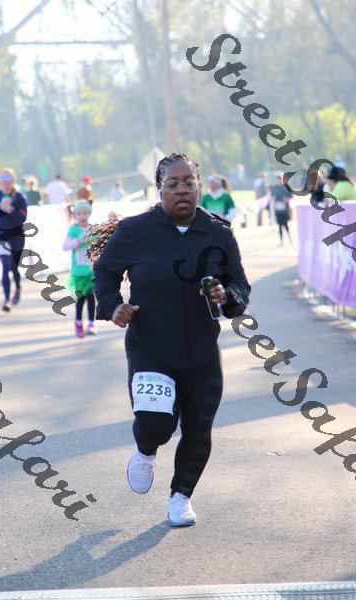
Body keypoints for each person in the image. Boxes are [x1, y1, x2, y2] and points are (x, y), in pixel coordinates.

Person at [94, 152, 251, 527]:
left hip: (201, 351)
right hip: (151, 346)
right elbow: (104, 272)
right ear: (159, 189)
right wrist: (113, 306)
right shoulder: (135, 230)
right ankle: (145, 450)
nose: (182, 190)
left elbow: (239, 283)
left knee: (198, 429)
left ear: (199, 186)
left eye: (189, 183)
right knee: (156, 424)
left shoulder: (218, 233)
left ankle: (180, 497)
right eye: (173, 184)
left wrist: (227, 295)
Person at [0, 168, 27, 312]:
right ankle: (6, 300)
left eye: (8, 180)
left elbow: (22, 218)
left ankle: (18, 288)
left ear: (13, 181)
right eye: (2, 180)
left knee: (14, 267)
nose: (5, 183)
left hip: (16, 236)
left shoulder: (19, 197)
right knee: (5, 265)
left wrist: (10, 210)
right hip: (1, 236)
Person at [63, 201, 96, 337]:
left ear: (89, 214)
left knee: (91, 298)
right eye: (79, 213)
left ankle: (91, 324)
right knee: (81, 298)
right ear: (75, 215)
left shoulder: (92, 228)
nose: (83, 216)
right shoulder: (74, 230)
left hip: (91, 271)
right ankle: (78, 323)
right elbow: (65, 247)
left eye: (85, 213)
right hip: (78, 272)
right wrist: (79, 240)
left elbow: (99, 245)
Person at [270, 173, 293, 246]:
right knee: (279, 225)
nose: (279, 180)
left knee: (286, 224)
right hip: (278, 209)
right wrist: (273, 197)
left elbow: (291, 196)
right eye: (277, 179)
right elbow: (272, 196)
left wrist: (287, 198)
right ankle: (281, 241)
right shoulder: (274, 187)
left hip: (285, 209)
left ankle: (289, 238)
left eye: (280, 178)